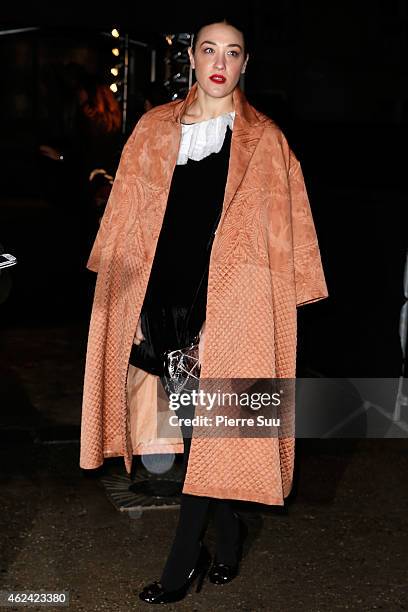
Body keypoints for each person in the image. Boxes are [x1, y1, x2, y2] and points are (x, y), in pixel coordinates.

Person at [80, 18, 329, 604]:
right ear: (192, 58)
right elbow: (123, 222)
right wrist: (126, 301)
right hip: (158, 304)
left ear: (246, 64)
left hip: (226, 311)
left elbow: (288, 230)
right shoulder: (151, 130)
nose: (220, 62)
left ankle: (181, 563)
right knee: (200, 434)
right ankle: (230, 534)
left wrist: (273, 304)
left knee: (216, 432)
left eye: (233, 52)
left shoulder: (265, 139)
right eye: (209, 50)